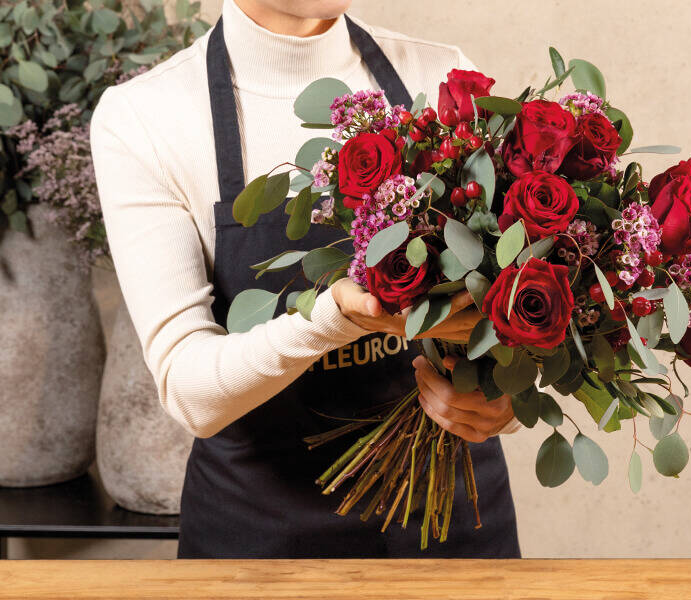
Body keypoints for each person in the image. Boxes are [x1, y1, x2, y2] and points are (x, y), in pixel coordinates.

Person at [89, 0, 522, 559]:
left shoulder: (440, 78)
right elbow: (191, 392)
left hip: (456, 536)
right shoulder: (147, 117)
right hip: (261, 546)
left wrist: (501, 399)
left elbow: (501, 309)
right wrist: (333, 321)